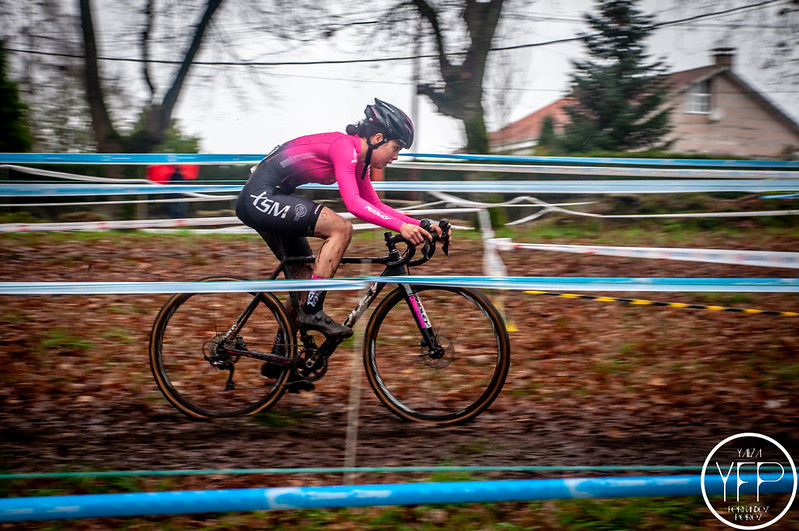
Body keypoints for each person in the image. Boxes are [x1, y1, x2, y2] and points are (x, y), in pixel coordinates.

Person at [236, 98, 446, 339]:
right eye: (396, 148)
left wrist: (421, 225)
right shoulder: (345, 148)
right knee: (341, 228)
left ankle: (282, 353)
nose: (396, 156)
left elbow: (374, 205)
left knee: (306, 283)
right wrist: (401, 227)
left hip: (273, 197)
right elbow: (354, 204)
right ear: (378, 138)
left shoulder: (360, 162)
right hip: (259, 197)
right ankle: (312, 311)